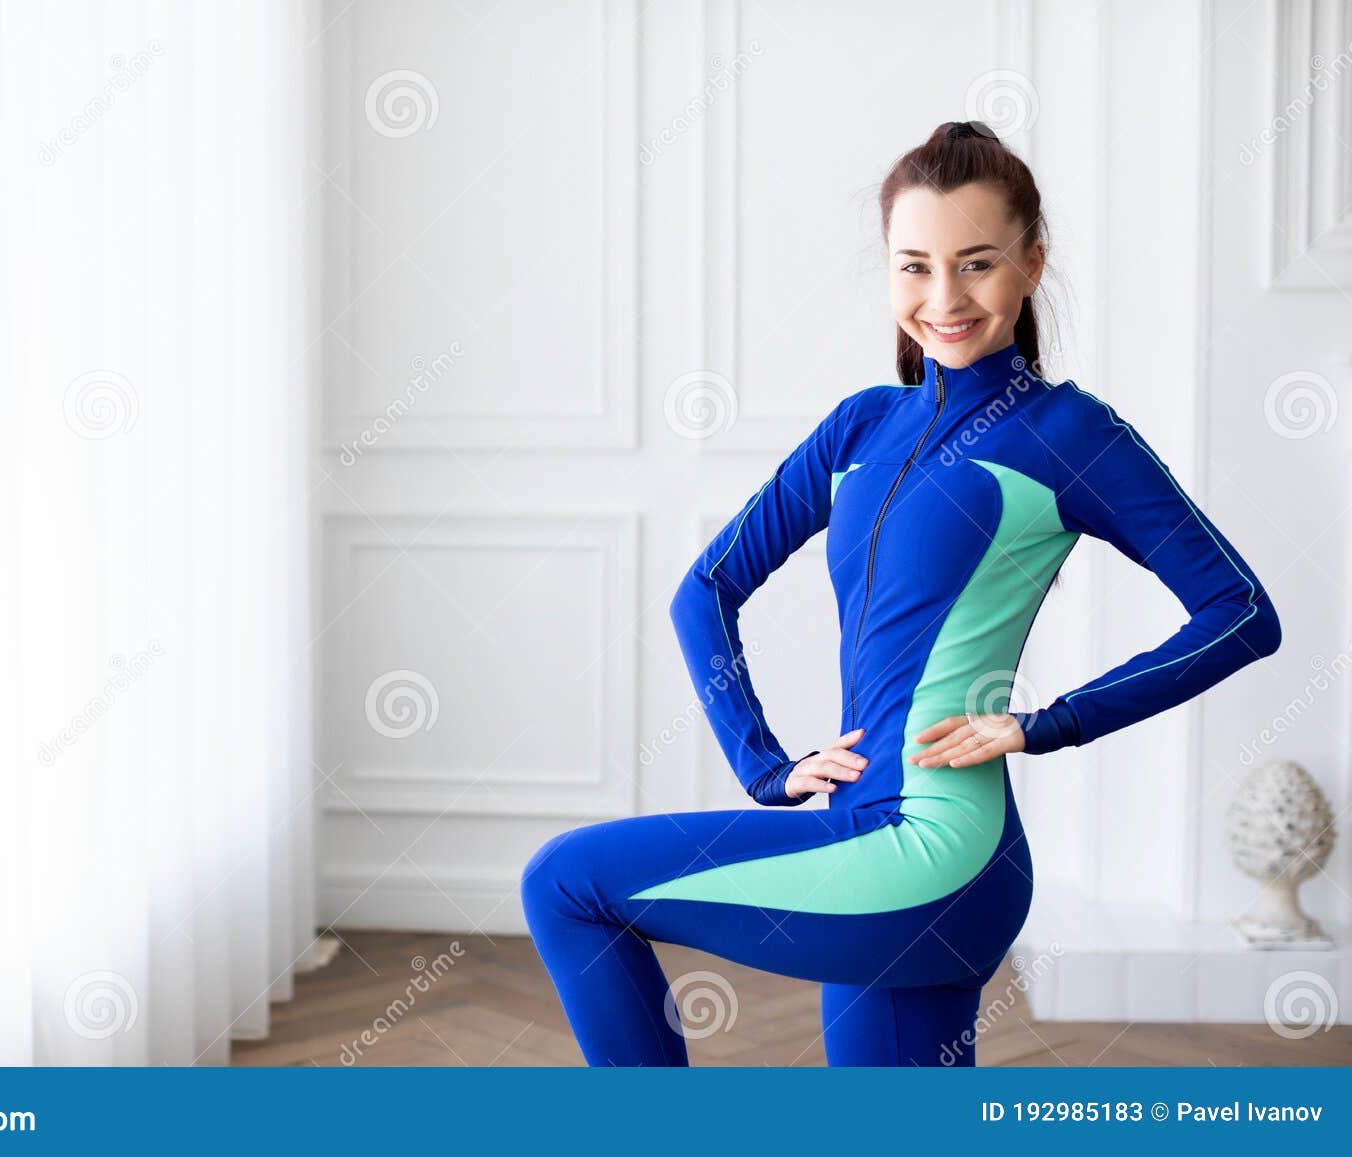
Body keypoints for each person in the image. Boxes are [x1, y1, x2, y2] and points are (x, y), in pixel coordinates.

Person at [517, 120, 1283, 1067]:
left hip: (934, 849)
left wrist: (1049, 722)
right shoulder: (861, 426)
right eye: (914, 266)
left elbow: (1242, 612)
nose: (944, 298)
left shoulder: (1066, 432)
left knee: (565, 881)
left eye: (976, 264)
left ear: (1031, 264)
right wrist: (764, 764)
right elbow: (705, 588)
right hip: (862, 839)